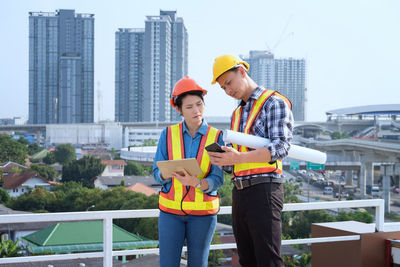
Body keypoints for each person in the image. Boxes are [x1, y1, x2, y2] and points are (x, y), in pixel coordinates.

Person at [207, 55, 293, 267]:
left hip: (265, 189)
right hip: (240, 191)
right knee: (247, 260)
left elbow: (281, 147)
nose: (228, 90)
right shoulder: (237, 114)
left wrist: (239, 157)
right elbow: (237, 160)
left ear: (242, 72)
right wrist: (224, 159)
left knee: (268, 260)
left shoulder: (273, 103)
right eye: (223, 88)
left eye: (229, 83)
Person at [153, 76, 224, 267]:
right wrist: (166, 174)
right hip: (170, 213)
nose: (196, 111)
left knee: (198, 264)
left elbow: (218, 178)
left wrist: (198, 183)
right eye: (189, 107)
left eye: (199, 104)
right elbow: (156, 172)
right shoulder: (167, 134)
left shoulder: (216, 137)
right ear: (179, 109)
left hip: (203, 216)